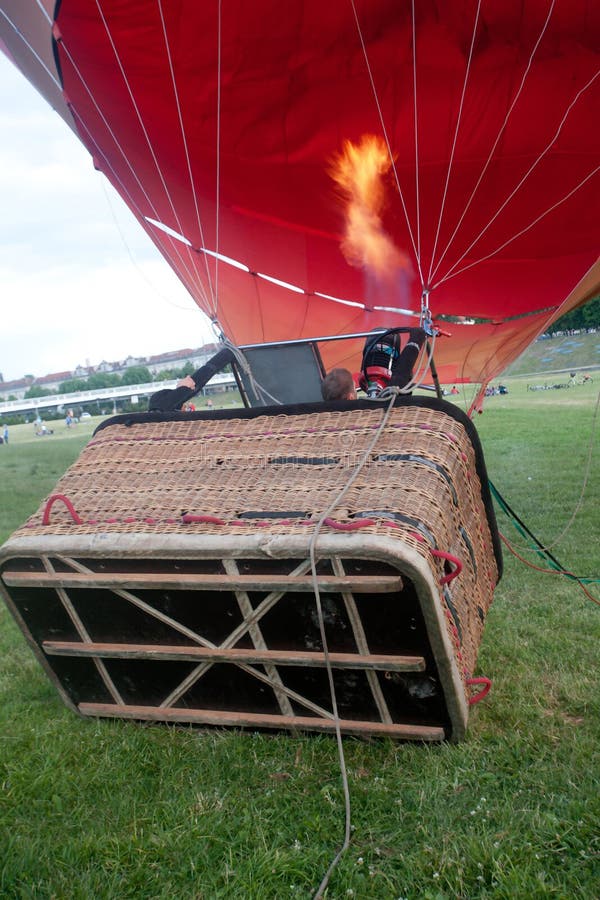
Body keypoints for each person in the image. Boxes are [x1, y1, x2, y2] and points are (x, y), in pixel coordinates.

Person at [320, 327, 427, 402]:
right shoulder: (363, 412)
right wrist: (416, 339)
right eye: (354, 387)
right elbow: (400, 376)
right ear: (350, 397)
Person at [148, 347, 235, 412]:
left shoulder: (161, 410)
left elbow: (196, 383)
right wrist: (184, 388)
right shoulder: (164, 408)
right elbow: (197, 382)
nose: (184, 407)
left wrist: (184, 389)